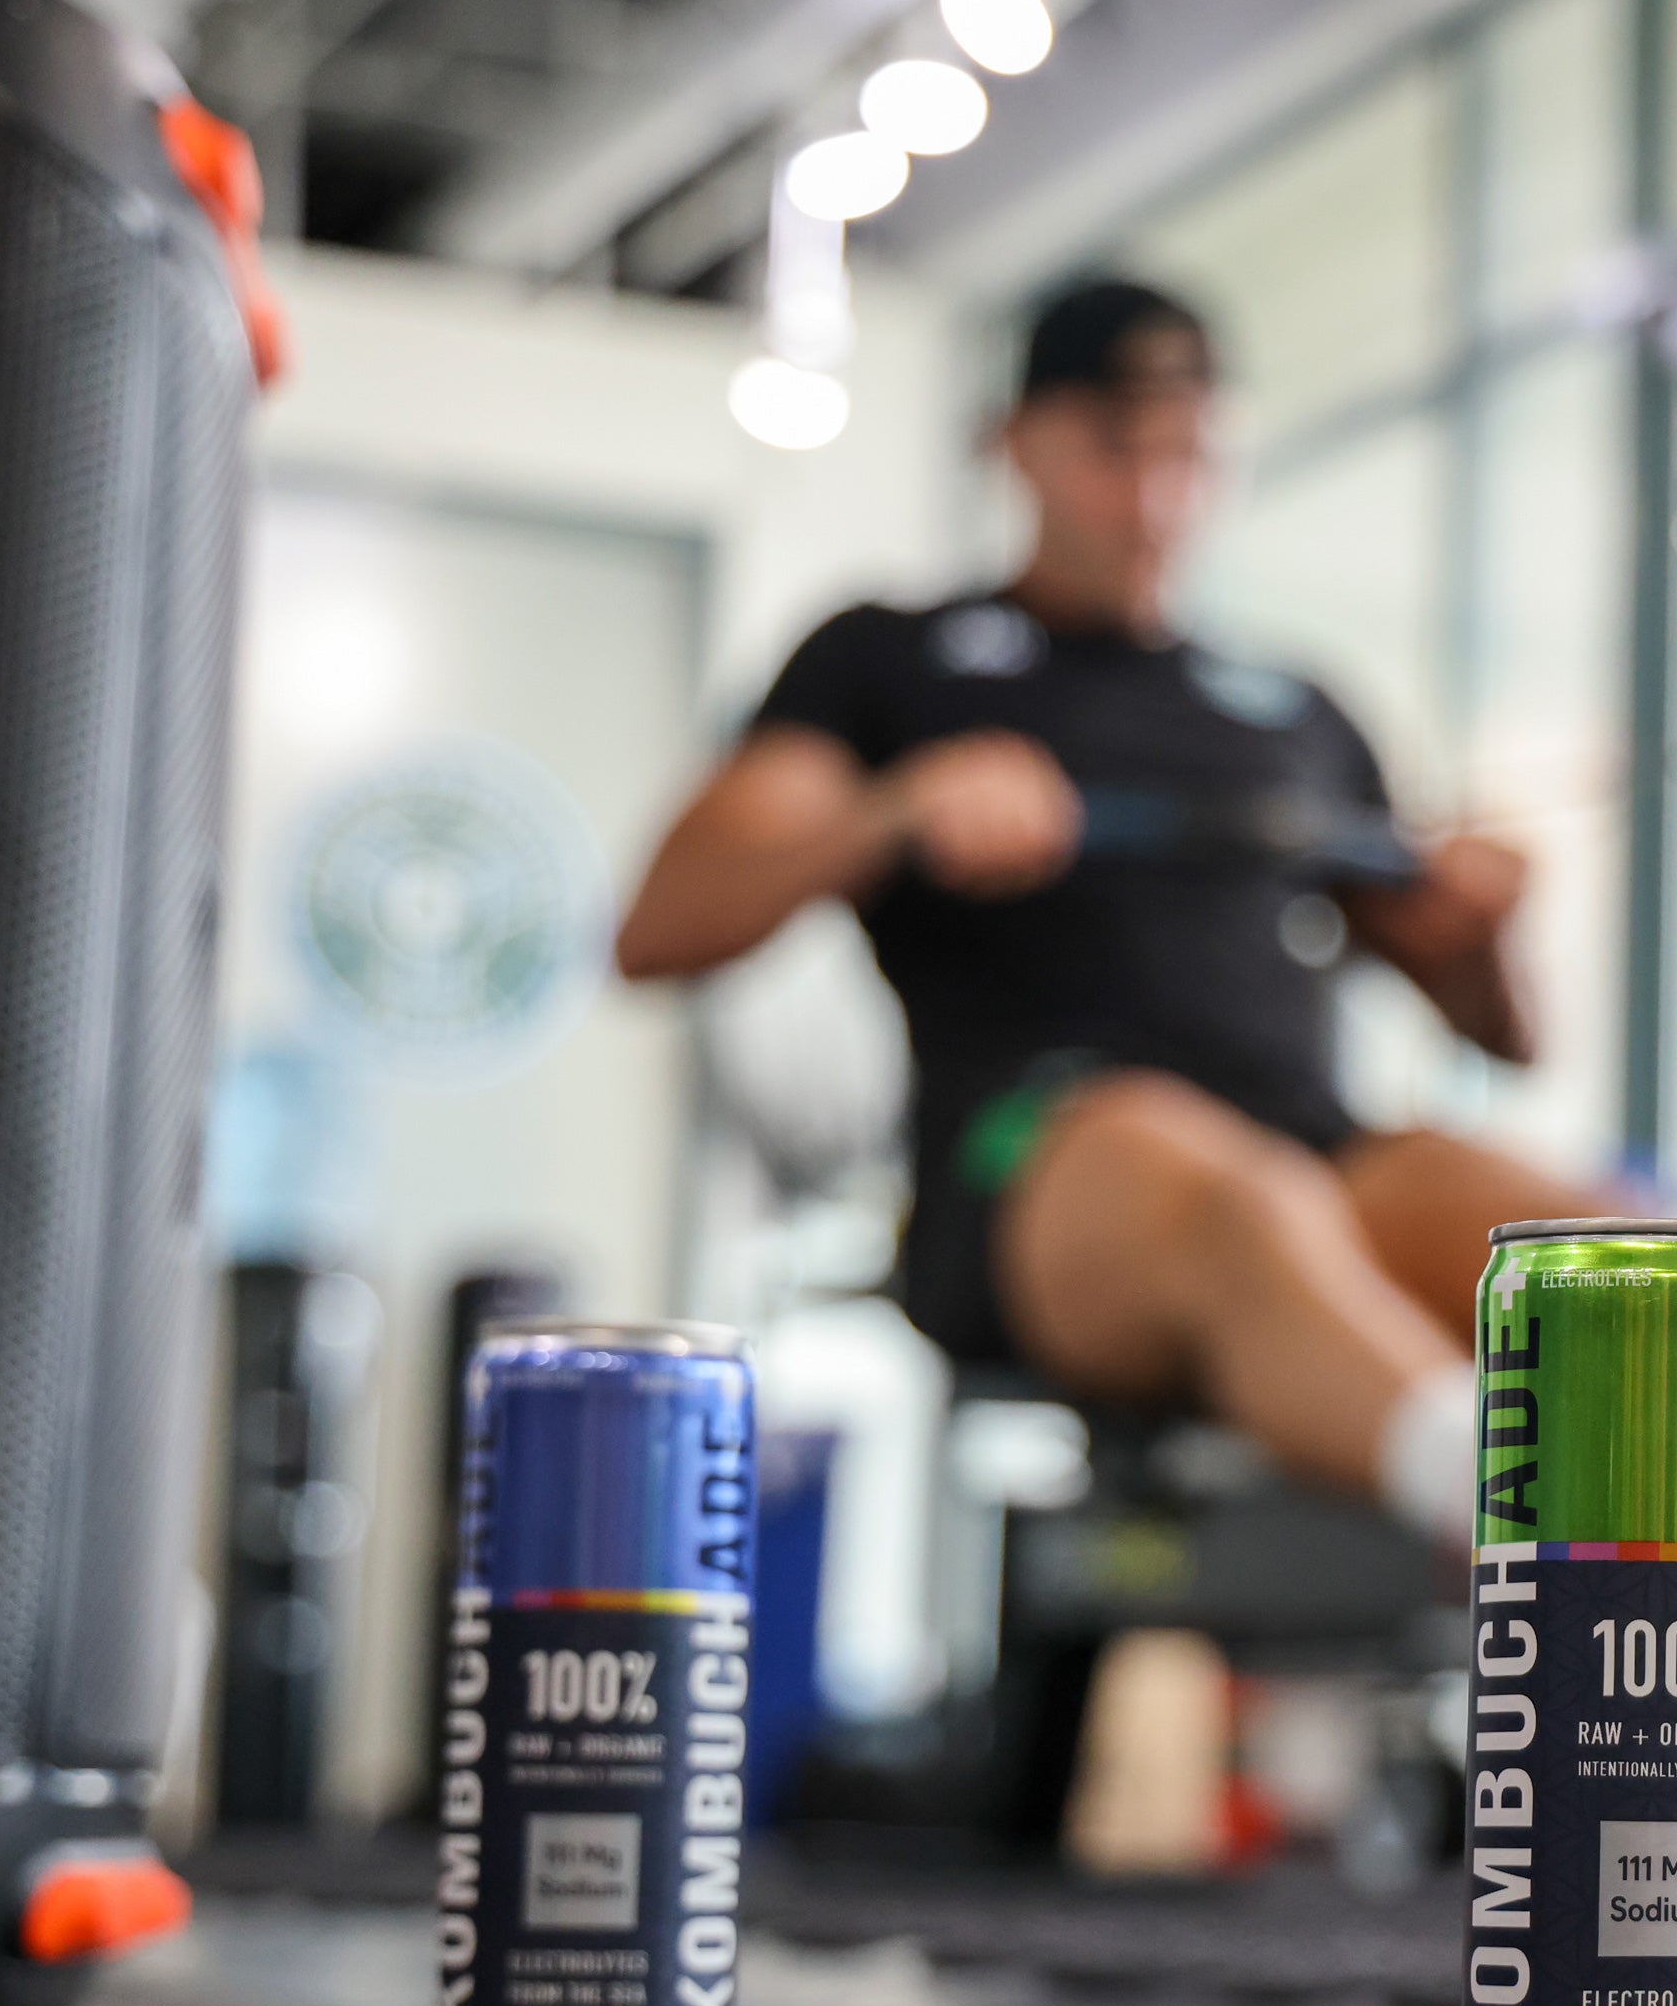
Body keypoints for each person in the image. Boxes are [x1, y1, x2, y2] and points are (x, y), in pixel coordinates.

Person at [615, 278, 1615, 1546]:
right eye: (1111, 451)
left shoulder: (1296, 710)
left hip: (1309, 1158)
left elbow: (1502, 1034)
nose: (1151, 501)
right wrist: (897, 813)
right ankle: (1549, 1557)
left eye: (1186, 454)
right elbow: (657, 928)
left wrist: (1485, 923)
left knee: (1594, 1255)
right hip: (1034, 1156)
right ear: (1016, 441)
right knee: (1231, 1191)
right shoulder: (890, 659)